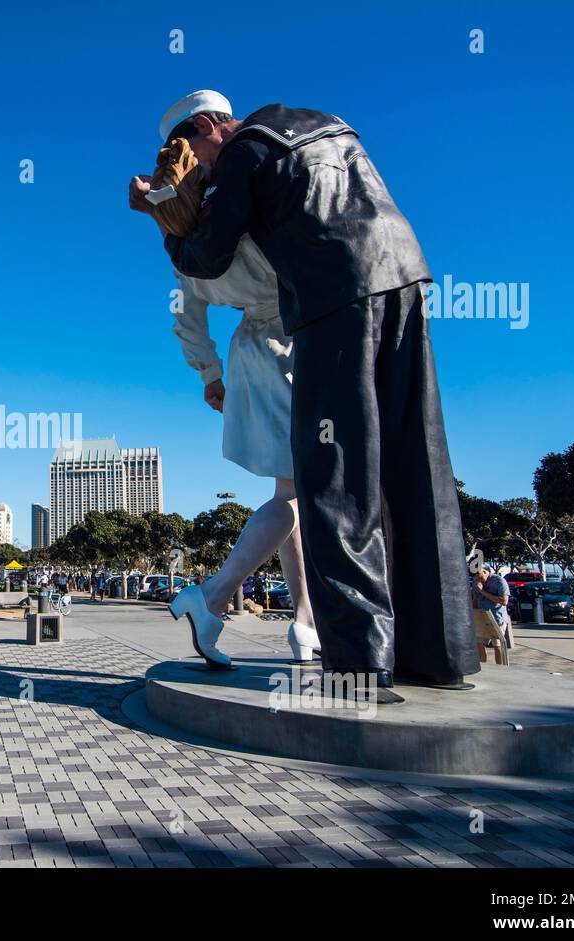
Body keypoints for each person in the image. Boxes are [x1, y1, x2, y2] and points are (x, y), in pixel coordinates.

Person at [136, 90, 480, 696]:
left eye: (196, 154)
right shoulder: (323, 123)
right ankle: (437, 650)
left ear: (208, 129)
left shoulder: (240, 163)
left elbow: (206, 259)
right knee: (411, 458)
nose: (203, 171)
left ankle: (353, 660)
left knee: (329, 479)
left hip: (323, 306)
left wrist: (170, 229)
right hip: (401, 272)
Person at [130, 111, 319, 667]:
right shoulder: (243, 210)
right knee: (299, 492)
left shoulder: (189, 252)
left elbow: (187, 323)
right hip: (290, 341)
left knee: (294, 494)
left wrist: (211, 375)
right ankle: (212, 596)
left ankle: (305, 620)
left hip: (249, 353)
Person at [474, 566, 510, 647]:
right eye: (475, 576)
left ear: (485, 572)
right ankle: (482, 659)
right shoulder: (476, 581)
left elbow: (504, 601)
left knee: (497, 645)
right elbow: (475, 599)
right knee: (479, 643)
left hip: (496, 618)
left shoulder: (499, 581)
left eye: (479, 575)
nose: (478, 579)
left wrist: (482, 591)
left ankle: (500, 660)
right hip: (482, 617)